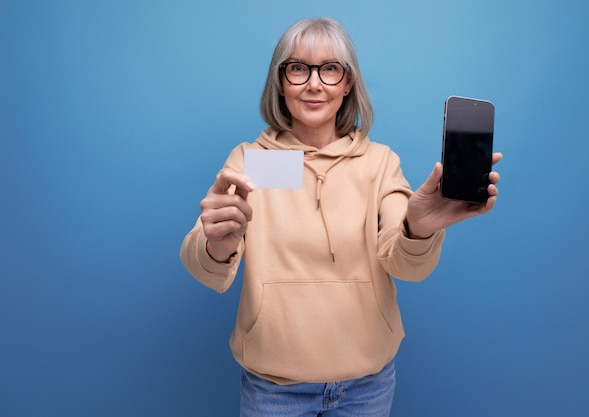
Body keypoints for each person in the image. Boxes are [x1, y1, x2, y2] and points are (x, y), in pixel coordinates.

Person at [180, 17, 502, 417]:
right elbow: (203, 266)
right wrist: (217, 244)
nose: (314, 84)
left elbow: (405, 266)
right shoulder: (254, 162)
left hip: (366, 388)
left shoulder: (379, 163)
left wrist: (419, 230)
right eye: (298, 68)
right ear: (280, 81)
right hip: (273, 390)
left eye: (330, 69)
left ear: (348, 82)